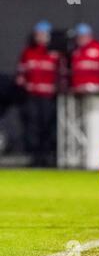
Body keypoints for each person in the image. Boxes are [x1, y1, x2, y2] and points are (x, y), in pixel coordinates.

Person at [16, 20, 61, 167]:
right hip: (33, 97)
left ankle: (48, 157)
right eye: (38, 34)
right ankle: (35, 157)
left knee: (48, 127)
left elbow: (62, 75)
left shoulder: (56, 55)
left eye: (43, 34)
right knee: (32, 128)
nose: (40, 37)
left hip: (49, 97)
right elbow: (21, 75)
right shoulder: (28, 53)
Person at [70, 23, 99, 94]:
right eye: (78, 37)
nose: (80, 39)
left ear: (89, 36)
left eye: (82, 36)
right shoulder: (76, 52)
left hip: (95, 90)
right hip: (79, 90)